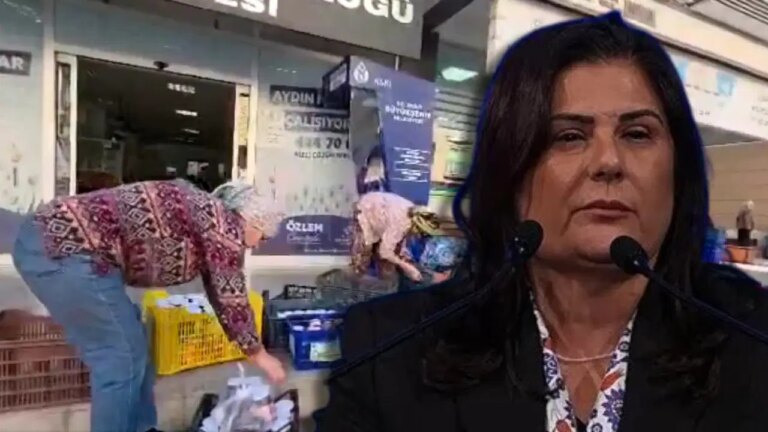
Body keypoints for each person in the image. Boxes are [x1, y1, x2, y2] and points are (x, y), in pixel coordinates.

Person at [321, 12, 768, 432]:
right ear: (508, 172)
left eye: (637, 134)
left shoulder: (754, 337)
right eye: (569, 136)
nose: (609, 162)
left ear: (678, 170)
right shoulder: (390, 351)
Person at [12, 179, 287, 432]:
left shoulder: (208, 218)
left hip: (62, 248)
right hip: (60, 249)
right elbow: (230, 292)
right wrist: (259, 354)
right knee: (120, 356)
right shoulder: (223, 223)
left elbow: (219, 289)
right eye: (263, 237)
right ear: (251, 220)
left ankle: (143, 428)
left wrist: (246, 343)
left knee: (135, 343)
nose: (257, 246)